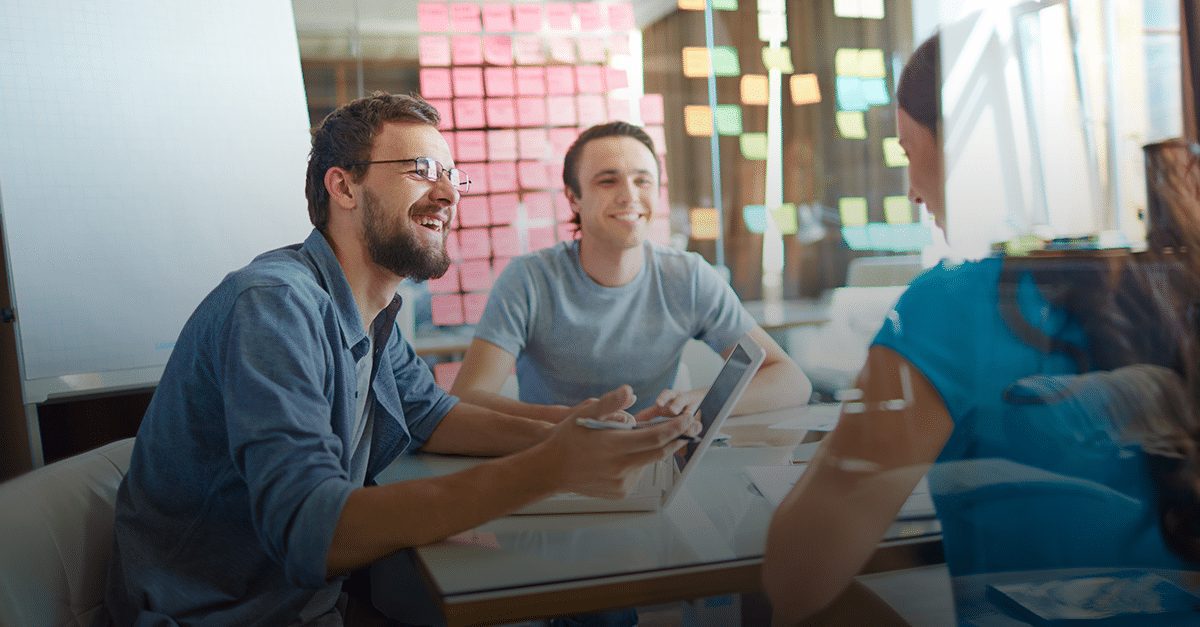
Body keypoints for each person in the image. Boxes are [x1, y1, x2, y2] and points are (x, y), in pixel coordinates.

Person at [104, 92, 696, 625]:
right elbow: (312, 532)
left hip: (313, 602)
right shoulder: (276, 305)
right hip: (223, 615)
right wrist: (550, 468)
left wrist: (572, 426)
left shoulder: (372, 306)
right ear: (343, 188)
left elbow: (433, 416)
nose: (446, 193)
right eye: (419, 171)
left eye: (449, 176)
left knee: (571, 609)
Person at [763, 33, 1200, 623]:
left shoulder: (954, 304)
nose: (914, 191)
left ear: (968, 149)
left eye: (911, 153)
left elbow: (797, 579)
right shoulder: (1178, 277)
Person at [451, 121, 811, 421]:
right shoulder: (529, 279)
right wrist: (575, 423)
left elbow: (790, 380)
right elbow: (468, 398)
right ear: (574, 198)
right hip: (552, 459)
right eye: (607, 181)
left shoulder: (688, 276)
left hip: (654, 457)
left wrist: (703, 403)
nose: (629, 196)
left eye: (642, 181)